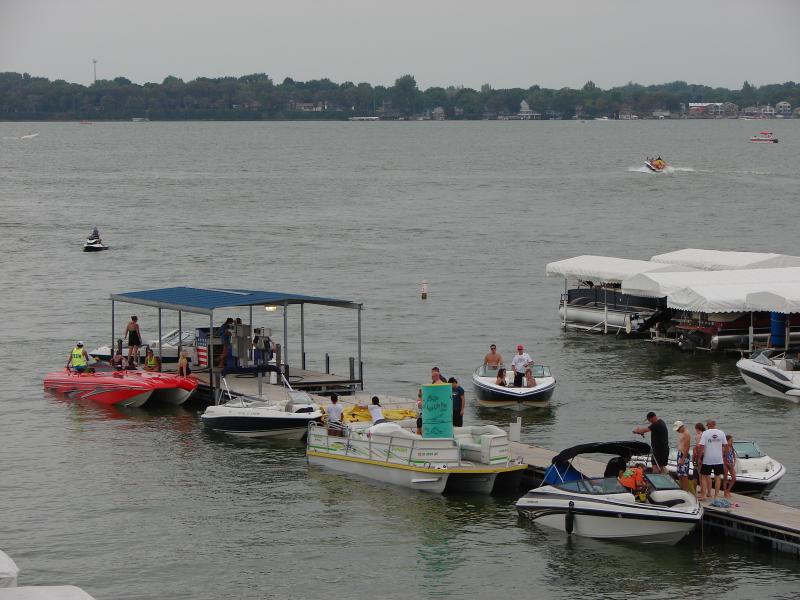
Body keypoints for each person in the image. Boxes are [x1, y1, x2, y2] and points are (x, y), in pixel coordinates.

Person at [698, 419, 726, 502]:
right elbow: (725, 445)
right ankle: (716, 496)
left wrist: (699, 457)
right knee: (718, 477)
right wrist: (723, 455)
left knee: (703, 476)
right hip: (718, 459)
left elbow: (701, 446)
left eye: (707, 425)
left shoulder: (705, 433)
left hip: (708, 459)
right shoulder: (721, 433)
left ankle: (704, 495)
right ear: (715, 424)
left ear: (709, 425)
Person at [673, 421, 691, 491]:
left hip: (684, 454)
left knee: (684, 474)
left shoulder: (686, 434)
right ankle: (682, 488)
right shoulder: (682, 432)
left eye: (678, 429)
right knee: (680, 474)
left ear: (682, 427)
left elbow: (687, 447)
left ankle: (685, 490)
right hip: (680, 453)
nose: (677, 431)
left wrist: (683, 458)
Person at [693, 422, 706, 498]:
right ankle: (704, 490)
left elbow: (698, 447)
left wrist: (697, 457)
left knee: (699, 474)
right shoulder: (705, 434)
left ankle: (702, 491)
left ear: (697, 428)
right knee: (704, 474)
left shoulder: (698, 436)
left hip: (699, 455)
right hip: (705, 455)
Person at [723, 434, 737, 498]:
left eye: (732, 441)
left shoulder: (731, 447)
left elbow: (734, 456)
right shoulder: (724, 448)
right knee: (725, 478)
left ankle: (728, 490)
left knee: (734, 478)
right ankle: (725, 492)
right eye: (730, 441)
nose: (732, 442)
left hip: (731, 463)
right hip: (725, 464)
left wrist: (734, 462)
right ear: (727, 441)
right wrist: (726, 463)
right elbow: (722, 457)